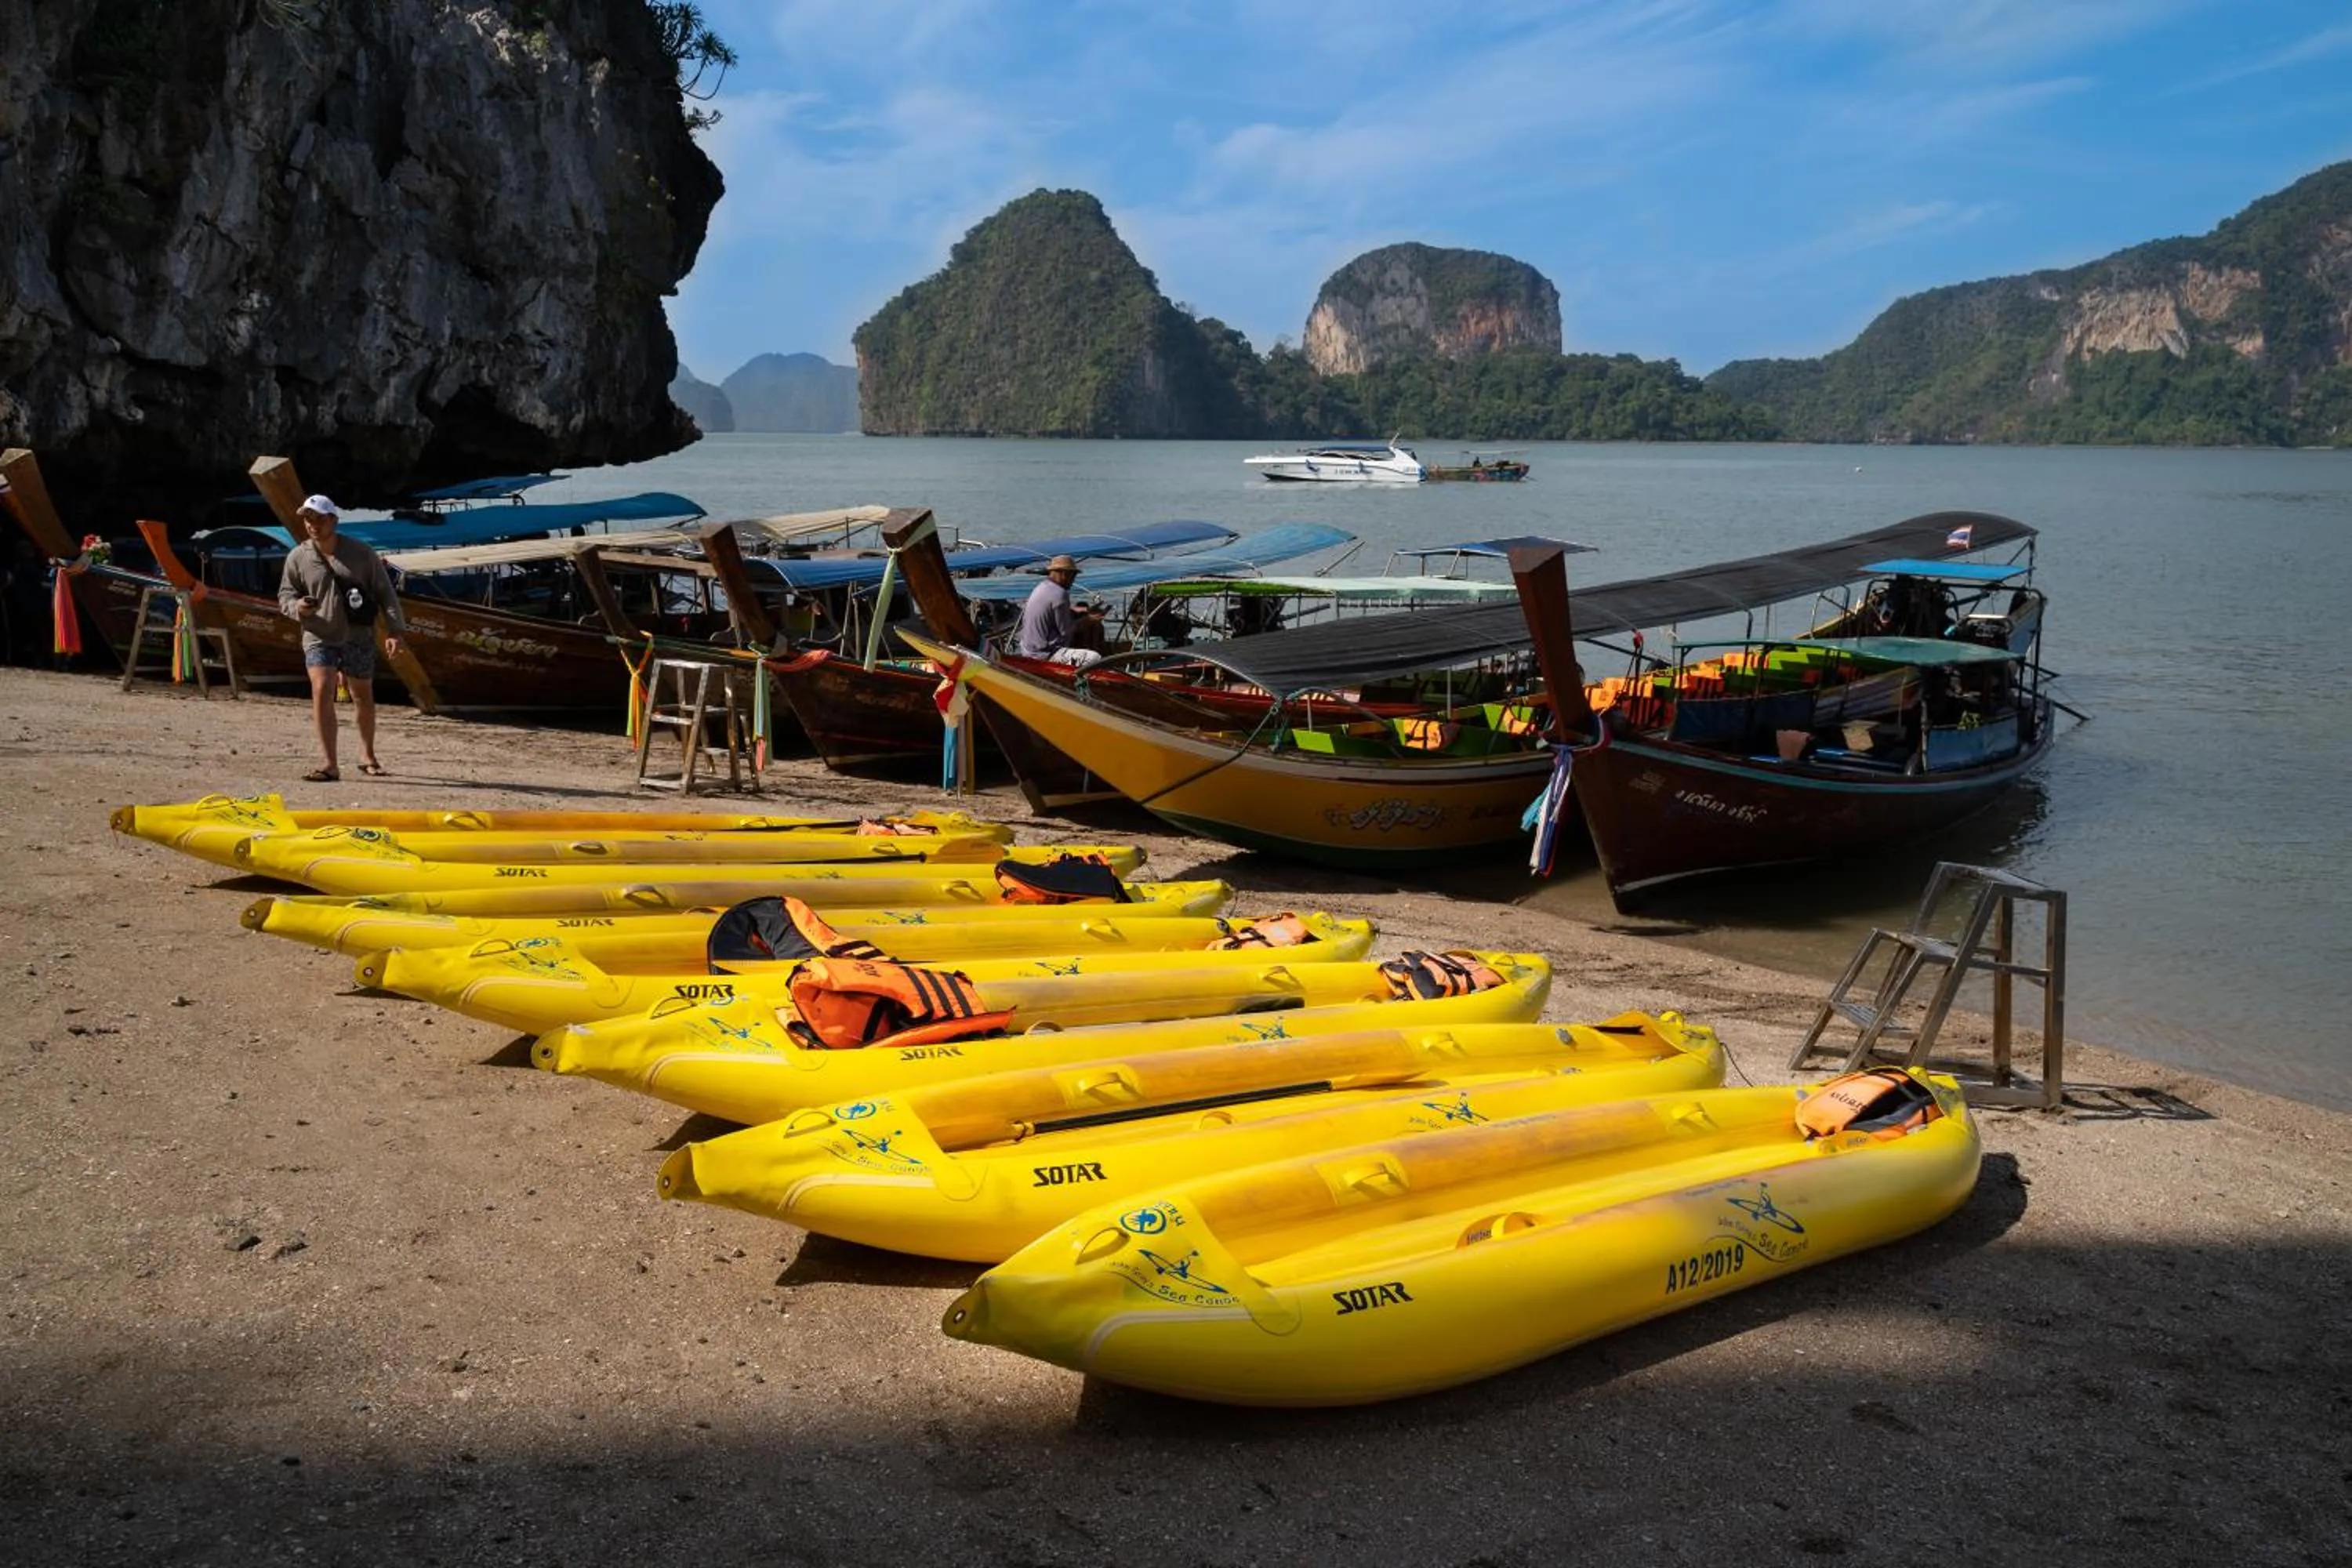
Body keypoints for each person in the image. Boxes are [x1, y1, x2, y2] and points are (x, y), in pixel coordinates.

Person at [276, 494, 405, 781]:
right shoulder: (298, 556)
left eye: (320, 519)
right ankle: (328, 764)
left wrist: (395, 631)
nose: (313, 525)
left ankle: (367, 754)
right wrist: (297, 607)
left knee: (362, 694)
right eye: (308, 519)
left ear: (334, 520)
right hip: (318, 633)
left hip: (357, 633)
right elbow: (285, 594)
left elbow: (385, 591)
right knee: (322, 688)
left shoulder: (361, 553)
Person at [1014, 554, 1105, 667]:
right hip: (1045, 654)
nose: (1073, 581)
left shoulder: (1042, 587)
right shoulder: (1060, 594)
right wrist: (1089, 620)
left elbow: (1053, 608)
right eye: (1073, 576)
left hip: (1027, 650)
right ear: (1064, 574)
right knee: (1095, 658)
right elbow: (1067, 632)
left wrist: (1083, 610)